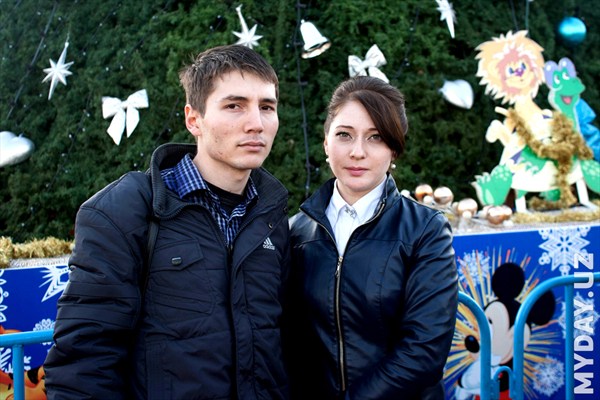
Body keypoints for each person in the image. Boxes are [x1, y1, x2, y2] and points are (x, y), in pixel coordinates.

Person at [44, 44, 290, 399]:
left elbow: (281, 345)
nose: (257, 123)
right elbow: (84, 362)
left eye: (267, 107)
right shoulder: (127, 210)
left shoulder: (271, 217)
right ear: (194, 119)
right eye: (234, 105)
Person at [286, 76, 458, 399]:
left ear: (394, 149)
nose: (357, 152)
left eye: (375, 137)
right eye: (344, 135)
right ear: (326, 143)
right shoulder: (296, 232)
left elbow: (424, 351)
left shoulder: (426, 230)